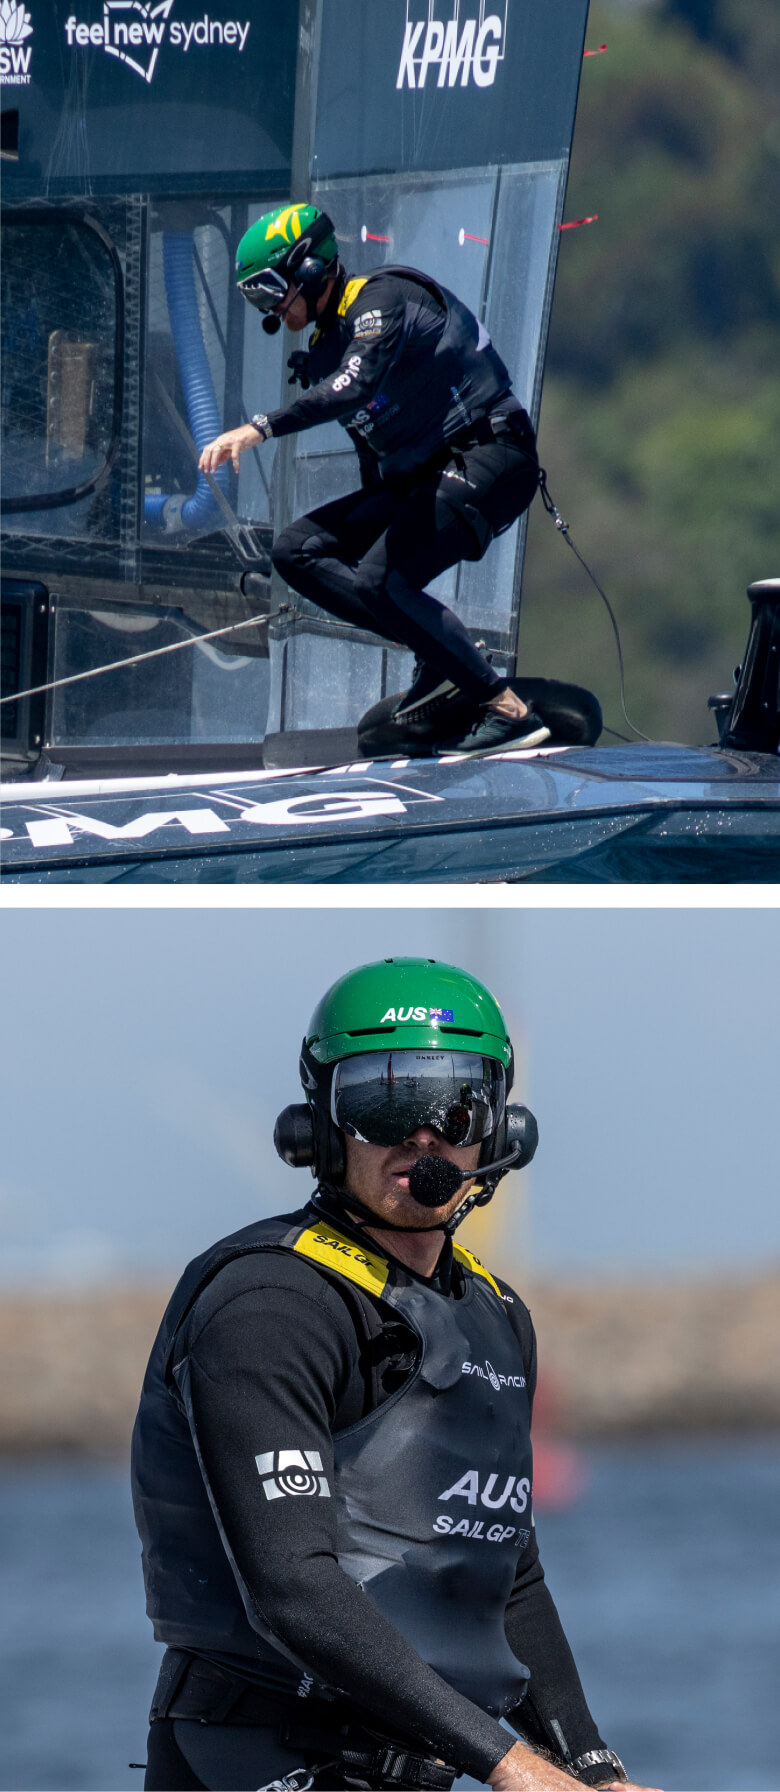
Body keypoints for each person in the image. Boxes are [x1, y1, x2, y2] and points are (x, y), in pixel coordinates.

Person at [132, 957, 661, 1792]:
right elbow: (293, 1589)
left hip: (424, 1765)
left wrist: (593, 1769)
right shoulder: (269, 1302)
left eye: (456, 1106)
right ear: (320, 1127)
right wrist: (511, 1766)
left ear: (501, 1129)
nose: (424, 1140)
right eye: (384, 1105)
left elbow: (507, 1572)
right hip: (265, 1756)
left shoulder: (494, 1310)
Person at [199, 203, 551, 755]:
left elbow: (355, 389)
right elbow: (372, 454)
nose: (269, 308)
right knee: (297, 550)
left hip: (493, 454)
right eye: (254, 297)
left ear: (310, 269)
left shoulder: (380, 300)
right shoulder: (324, 351)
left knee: (378, 581)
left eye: (271, 289)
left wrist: (258, 428)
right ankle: (441, 654)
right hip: (429, 475)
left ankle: (506, 710)